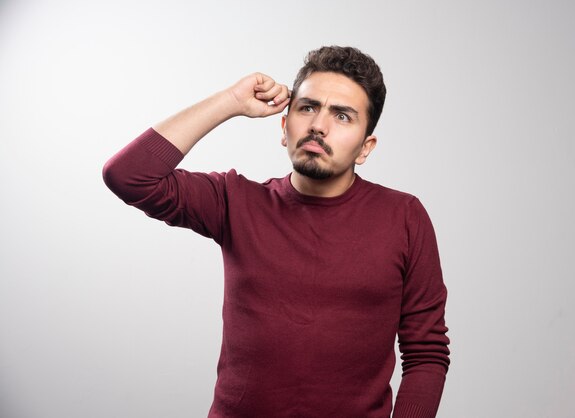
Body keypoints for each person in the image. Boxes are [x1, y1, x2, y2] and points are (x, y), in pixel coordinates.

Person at [103, 46, 450, 418]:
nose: (319, 125)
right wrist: (230, 101)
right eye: (307, 108)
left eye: (343, 116)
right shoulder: (235, 201)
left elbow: (426, 353)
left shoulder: (403, 216)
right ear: (284, 129)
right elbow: (128, 176)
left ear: (365, 148)